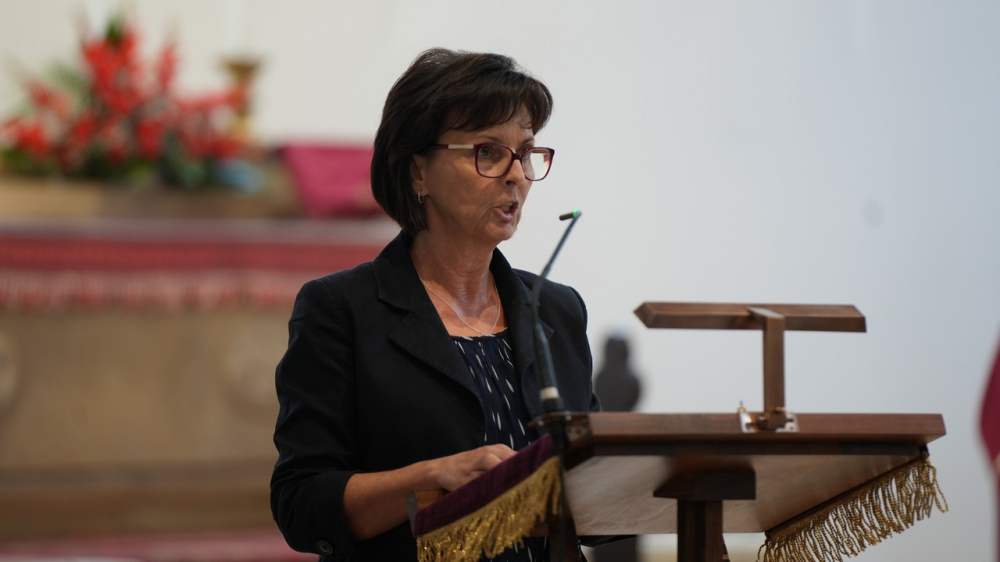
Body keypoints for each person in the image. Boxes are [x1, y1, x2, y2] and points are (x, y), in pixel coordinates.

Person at [270, 48, 600, 561]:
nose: (517, 175)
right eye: (489, 152)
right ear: (418, 172)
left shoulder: (556, 309)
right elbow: (302, 502)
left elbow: (594, 488)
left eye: (526, 153)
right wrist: (431, 477)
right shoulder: (341, 310)